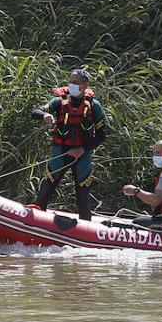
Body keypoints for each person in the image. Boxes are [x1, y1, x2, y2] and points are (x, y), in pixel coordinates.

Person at [30, 68, 107, 220]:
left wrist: (82, 149)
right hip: (61, 151)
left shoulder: (94, 106)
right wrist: (45, 115)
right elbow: (35, 111)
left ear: (85, 86)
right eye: (70, 81)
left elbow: (102, 134)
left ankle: (85, 231)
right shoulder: (59, 102)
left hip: (82, 154)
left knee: (83, 197)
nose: (71, 84)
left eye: (76, 82)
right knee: (46, 190)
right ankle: (35, 221)